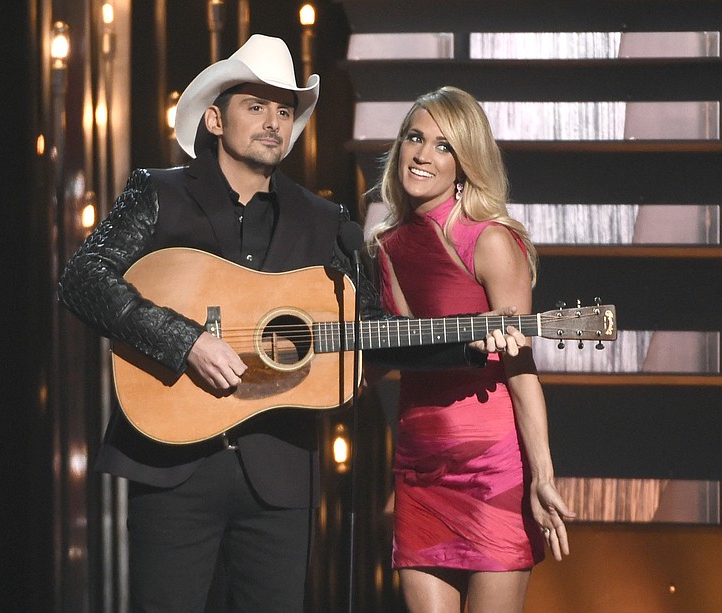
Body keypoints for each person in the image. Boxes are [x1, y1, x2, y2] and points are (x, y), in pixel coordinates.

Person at [58, 36, 524, 613]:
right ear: (214, 117)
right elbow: (82, 279)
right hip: (170, 465)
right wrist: (186, 342)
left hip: (280, 475)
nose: (274, 122)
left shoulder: (326, 221)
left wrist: (471, 344)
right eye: (256, 106)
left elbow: (372, 334)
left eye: (284, 110)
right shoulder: (159, 193)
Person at [365, 86, 576, 613]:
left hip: (492, 470)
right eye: (415, 137)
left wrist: (542, 476)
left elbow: (522, 371)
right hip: (418, 466)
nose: (422, 155)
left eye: (443, 146)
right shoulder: (383, 247)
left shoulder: (490, 241)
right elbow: (399, 358)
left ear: (464, 163)